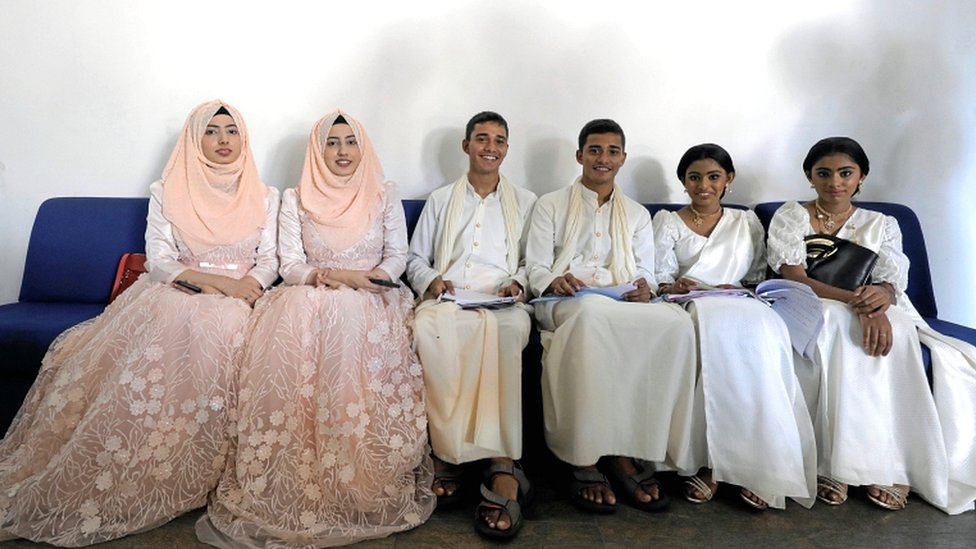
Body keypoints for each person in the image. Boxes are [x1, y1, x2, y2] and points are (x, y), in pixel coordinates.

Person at [0, 100, 279, 545]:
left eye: (232, 132)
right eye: (211, 131)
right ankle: (152, 464)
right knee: (180, 324)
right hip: (179, 288)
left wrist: (248, 284)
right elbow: (161, 261)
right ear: (194, 140)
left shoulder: (265, 195)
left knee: (229, 327)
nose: (223, 141)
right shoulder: (167, 189)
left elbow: (269, 260)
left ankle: (205, 465)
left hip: (241, 292)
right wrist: (211, 282)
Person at [196, 111, 434, 548]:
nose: (342, 152)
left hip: (373, 293)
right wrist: (333, 279)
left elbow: (397, 256)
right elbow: (290, 264)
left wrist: (369, 279)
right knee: (303, 320)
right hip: (312, 290)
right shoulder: (295, 196)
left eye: (350, 142)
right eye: (332, 143)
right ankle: (300, 472)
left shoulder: (384, 193)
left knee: (349, 319)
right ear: (317, 150)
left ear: (363, 148)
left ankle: (358, 470)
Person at [767, 136, 976, 514]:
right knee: (833, 320)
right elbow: (794, 276)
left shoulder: (883, 223)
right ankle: (836, 462)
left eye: (846, 173)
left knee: (895, 327)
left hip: (874, 304)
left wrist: (879, 302)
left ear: (861, 177)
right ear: (809, 177)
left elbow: (892, 282)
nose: (835, 182)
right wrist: (856, 302)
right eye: (824, 173)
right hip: (815, 300)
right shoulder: (791, 215)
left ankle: (893, 464)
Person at [524, 119, 697, 513]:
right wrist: (555, 279)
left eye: (612, 151)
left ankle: (629, 449)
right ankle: (584, 456)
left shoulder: (636, 214)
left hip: (621, 302)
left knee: (677, 324)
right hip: (569, 302)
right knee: (590, 315)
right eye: (595, 150)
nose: (603, 159)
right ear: (580, 155)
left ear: (623, 158)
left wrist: (643, 287)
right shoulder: (549, 204)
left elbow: (646, 272)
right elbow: (534, 266)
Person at [652, 143, 816, 510]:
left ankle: (758, 461)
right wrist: (674, 286)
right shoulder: (667, 221)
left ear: (729, 179)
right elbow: (658, 279)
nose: (704, 185)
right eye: (694, 177)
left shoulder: (746, 222)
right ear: (684, 182)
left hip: (743, 303)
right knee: (717, 336)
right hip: (691, 304)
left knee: (763, 336)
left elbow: (757, 276)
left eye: (713, 177)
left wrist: (737, 289)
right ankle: (711, 462)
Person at [406, 111, 537, 539]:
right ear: (467, 146)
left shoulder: (527, 201)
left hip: (501, 301)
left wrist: (517, 284)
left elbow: (531, 264)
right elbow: (415, 259)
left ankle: (500, 460)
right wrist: (432, 280)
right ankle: (446, 453)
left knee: (505, 333)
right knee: (430, 329)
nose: (490, 147)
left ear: (506, 149)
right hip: (449, 297)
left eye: (499, 140)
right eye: (482, 138)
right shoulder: (441, 199)